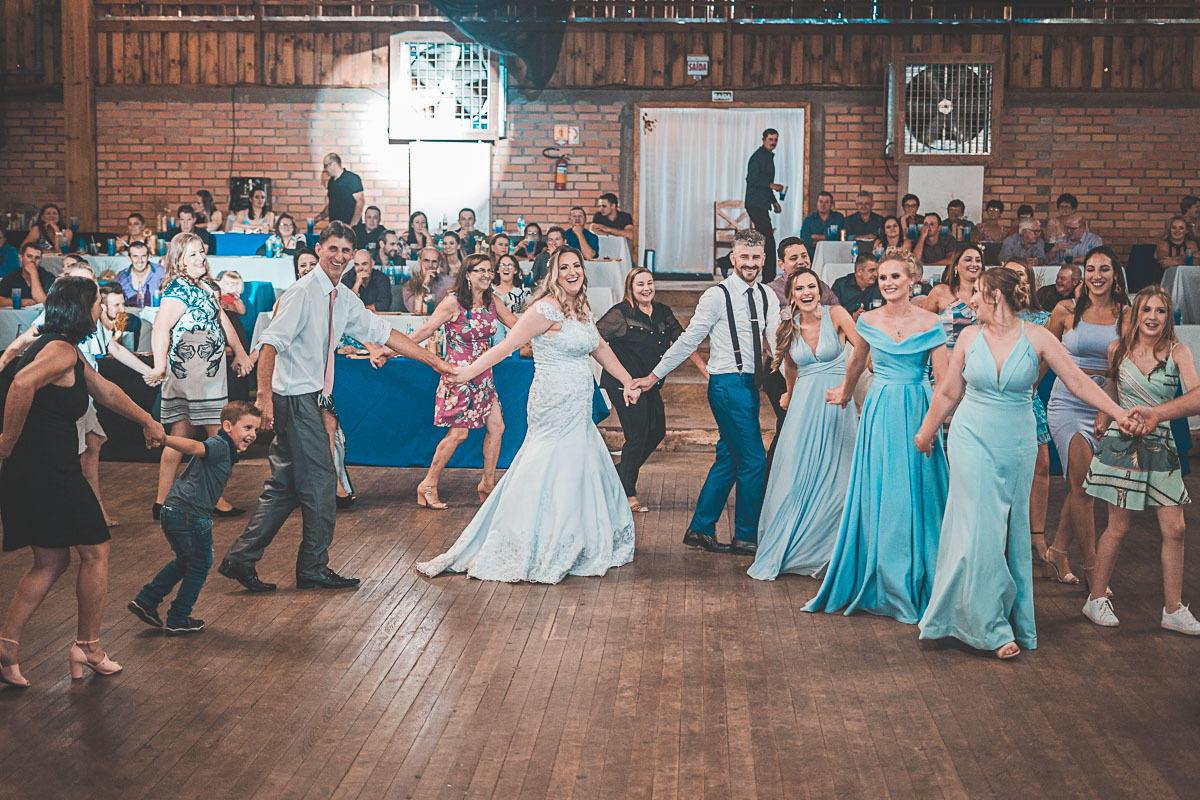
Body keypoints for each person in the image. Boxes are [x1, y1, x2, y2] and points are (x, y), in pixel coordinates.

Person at [219, 221, 454, 592]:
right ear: (319, 249)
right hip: (295, 400)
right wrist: (263, 397)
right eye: (333, 249)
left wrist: (435, 362)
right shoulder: (302, 293)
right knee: (323, 482)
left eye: (346, 252)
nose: (339, 257)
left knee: (285, 487)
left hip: (309, 397)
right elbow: (269, 345)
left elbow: (384, 334)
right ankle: (312, 567)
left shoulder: (342, 297)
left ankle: (240, 559)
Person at [915, 267, 1128, 659]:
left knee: (1004, 531)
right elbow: (948, 391)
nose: (971, 299)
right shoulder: (967, 335)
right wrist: (926, 434)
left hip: (1016, 442)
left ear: (997, 297)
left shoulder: (1038, 337)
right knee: (979, 526)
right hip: (970, 437)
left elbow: (1079, 382)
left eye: (977, 292)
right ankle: (989, 627)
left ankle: (987, 615)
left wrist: (1118, 412)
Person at [415, 248, 639, 583]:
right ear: (554, 273)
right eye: (565, 267)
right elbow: (504, 348)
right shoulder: (542, 309)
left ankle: (576, 537)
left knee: (576, 466)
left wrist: (627, 380)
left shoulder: (581, 308)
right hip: (552, 402)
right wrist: (465, 373)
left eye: (576, 266)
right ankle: (532, 539)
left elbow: (600, 348)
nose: (572, 272)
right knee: (546, 464)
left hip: (578, 404)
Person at [0, 277, 165, 688]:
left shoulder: (62, 348)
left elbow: (105, 391)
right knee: (95, 550)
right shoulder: (58, 351)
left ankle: (5, 648)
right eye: (96, 304)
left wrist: (146, 419)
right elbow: (20, 385)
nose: (100, 310)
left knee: (51, 560)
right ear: (80, 308)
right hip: (48, 470)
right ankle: (87, 647)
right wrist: (6, 442)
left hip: (39, 469)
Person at [804, 248, 949, 623]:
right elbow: (856, 360)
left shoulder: (931, 322)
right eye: (882, 277)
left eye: (895, 277)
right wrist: (845, 390)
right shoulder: (867, 319)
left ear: (912, 279)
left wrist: (935, 423)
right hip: (881, 408)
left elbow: (945, 380)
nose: (887, 283)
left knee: (917, 490)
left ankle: (917, 576)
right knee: (883, 488)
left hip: (917, 403)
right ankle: (881, 573)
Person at [631, 229, 780, 555]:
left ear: (765, 259)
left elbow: (777, 342)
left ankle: (701, 528)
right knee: (754, 461)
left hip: (751, 385)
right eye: (745, 257)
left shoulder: (768, 295)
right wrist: (654, 376)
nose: (751, 264)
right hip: (727, 385)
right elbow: (688, 341)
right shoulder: (717, 296)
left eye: (756, 258)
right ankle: (746, 537)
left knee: (730, 458)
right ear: (733, 258)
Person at [1080, 287, 1200, 635]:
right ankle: (1095, 598)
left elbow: (1197, 396)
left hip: (1161, 446)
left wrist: (1157, 414)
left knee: (1175, 528)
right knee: (1118, 526)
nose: (1152, 317)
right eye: (1146, 309)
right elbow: (1114, 390)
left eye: (1160, 311)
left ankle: (1173, 610)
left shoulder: (1178, 352)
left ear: (1168, 317)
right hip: (1123, 445)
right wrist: (1105, 416)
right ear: (1136, 313)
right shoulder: (1117, 349)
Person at [748, 268, 866, 582]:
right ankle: (791, 547)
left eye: (811, 286)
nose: (806, 293)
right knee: (794, 473)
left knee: (837, 473)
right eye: (799, 288)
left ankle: (829, 549)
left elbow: (863, 349)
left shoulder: (837, 314)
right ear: (792, 295)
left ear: (820, 290)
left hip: (834, 402)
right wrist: (787, 392)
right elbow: (790, 365)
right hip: (802, 406)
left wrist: (851, 386)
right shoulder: (789, 325)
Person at [128, 401, 261, 636]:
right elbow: (195, 447)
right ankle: (178, 617)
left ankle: (147, 599)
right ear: (228, 426)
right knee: (200, 565)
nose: (252, 434)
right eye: (248, 427)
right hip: (190, 514)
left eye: (255, 430)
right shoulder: (219, 445)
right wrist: (165, 439)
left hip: (173, 510)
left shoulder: (225, 448)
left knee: (184, 561)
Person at [146, 233, 253, 521]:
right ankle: (214, 498)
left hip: (207, 376)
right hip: (192, 378)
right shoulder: (177, 291)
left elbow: (223, 321)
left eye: (202, 252)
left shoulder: (204, 287)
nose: (201, 258)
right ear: (179, 260)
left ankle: (161, 502)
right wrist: (158, 366)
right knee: (219, 440)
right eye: (193, 254)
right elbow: (159, 329)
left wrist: (241, 354)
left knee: (180, 437)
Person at [1044, 246, 1130, 594]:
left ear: (1115, 274)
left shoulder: (1125, 314)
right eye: (1091, 269)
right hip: (1066, 402)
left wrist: (1106, 409)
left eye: (1104, 269)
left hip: (1105, 402)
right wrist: (1026, 395)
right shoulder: (1066, 309)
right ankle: (1095, 569)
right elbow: (1041, 354)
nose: (1097, 275)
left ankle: (1058, 551)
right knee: (1083, 488)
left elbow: (1124, 366)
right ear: (1083, 275)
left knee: (1085, 485)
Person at [404, 253, 519, 509]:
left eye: (490, 270)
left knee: (497, 427)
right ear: (467, 274)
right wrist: (393, 348)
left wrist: (549, 334)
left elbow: (516, 324)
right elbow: (425, 330)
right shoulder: (453, 302)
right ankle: (428, 484)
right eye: (480, 270)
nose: (487, 275)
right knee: (458, 433)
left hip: (484, 377)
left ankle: (487, 485)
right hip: (459, 377)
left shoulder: (493, 302)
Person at [597, 268, 705, 512]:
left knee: (657, 431)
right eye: (640, 284)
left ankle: (616, 476)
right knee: (637, 436)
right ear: (630, 288)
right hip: (624, 384)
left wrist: (705, 370)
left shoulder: (663, 312)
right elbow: (594, 339)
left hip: (650, 383)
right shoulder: (620, 314)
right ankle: (627, 493)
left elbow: (683, 341)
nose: (646, 288)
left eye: (649, 283)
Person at [1005, 259, 1054, 564]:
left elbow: (1051, 355)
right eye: (1010, 274)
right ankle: (1006, 531)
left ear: (1030, 280)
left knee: (1042, 464)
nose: (1016, 279)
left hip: (1030, 395)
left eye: (1021, 274)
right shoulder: (995, 314)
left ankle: (1037, 534)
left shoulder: (1043, 318)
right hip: (1000, 397)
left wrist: (1033, 381)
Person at [922, 244, 985, 348]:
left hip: (977, 358)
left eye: (978, 260)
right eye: (968, 260)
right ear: (956, 265)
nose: (974, 264)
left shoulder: (988, 295)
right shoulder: (940, 292)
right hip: (946, 358)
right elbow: (924, 329)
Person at [744, 128, 783, 282]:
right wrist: (772, 186)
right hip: (755, 203)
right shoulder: (758, 157)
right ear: (763, 140)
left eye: (775, 140)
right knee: (768, 241)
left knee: (764, 240)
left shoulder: (767, 157)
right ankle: (768, 278)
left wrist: (774, 202)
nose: (773, 143)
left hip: (761, 203)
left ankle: (768, 277)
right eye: (770, 139)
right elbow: (752, 180)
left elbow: (765, 185)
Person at [316, 153, 365, 226]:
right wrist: (319, 218)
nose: (325, 169)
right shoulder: (331, 182)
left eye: (325, 166)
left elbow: (360, 202)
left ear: (334, 164)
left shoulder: (351, 178)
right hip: (336, 228)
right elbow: (331, 206)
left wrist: (352, 226)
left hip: (350, 228)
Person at [114, 241, 165, 308]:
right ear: (129, 258)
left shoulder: (161, 272)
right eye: (135, 256)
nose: (140, 260)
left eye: (143, 256)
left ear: (149, 256)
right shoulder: (122, 276)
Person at [0, 243, 53, 308]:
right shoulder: (11, 276)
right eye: (29, 256)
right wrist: (20, 302)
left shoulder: (48, 277)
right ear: (21, 258)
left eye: (37, 258)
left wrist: (34, 274)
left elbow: (44, 302)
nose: (33, 260)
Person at [831, 253, 882, 318]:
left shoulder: (880, 285)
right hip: (845, 326)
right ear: (859, 270)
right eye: (871, 270)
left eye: (877, 270)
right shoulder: (841, 285)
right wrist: (852, 316)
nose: (876, 274)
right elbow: (831, 313)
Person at [404, 247, 453, 314]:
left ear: (439, 263)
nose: (430, 265)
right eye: (426, 261)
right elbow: (413, 309)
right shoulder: (410, 285)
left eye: (434, 261)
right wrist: (425, 285)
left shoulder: (449, 282)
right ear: (419, 261)